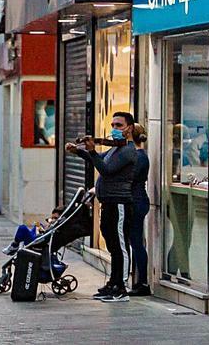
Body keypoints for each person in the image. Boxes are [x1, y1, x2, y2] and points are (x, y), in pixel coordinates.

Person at [67, 111, 138, 303]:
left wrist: (90, 151)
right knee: (112, 245)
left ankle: (121, 287)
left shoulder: (129, 151)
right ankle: (113, 283)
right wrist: (79, 151)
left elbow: (106, 170)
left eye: (119, 125)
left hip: (120, 203)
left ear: (129, 128)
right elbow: (96, 159)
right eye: (113, 125)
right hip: (108, 203)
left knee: (121, 246)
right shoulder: (115, 149)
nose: (114, 129)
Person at [126, 123, 152, 297]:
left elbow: (129, 177)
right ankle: (139, 281)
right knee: (135, 241)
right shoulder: (139, 155)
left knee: (136, 242)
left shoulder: (138, 157)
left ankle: (142, 282)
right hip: (137, 200)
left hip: (136, 201)